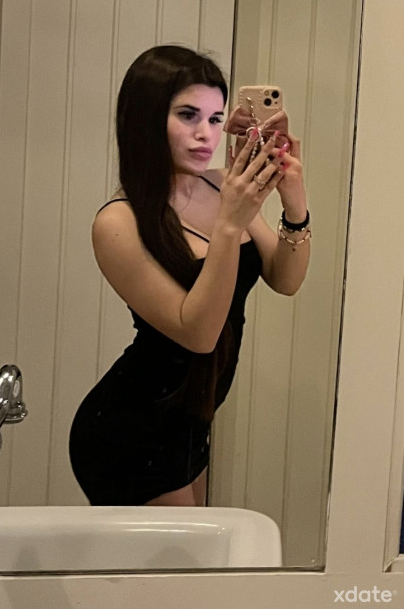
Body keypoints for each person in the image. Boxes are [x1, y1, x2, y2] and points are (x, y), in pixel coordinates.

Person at [69, 45, 310, 507]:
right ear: (146, 119)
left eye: (216, 119)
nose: (206, 134)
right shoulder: (119, 222)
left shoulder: (221, 185)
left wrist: (294, 201)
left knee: (193, 549)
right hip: (134, 431)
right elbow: (199, 335)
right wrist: (229, 225)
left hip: (192, 422)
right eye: (187, 115)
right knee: (179, 556)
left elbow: (285, 278)